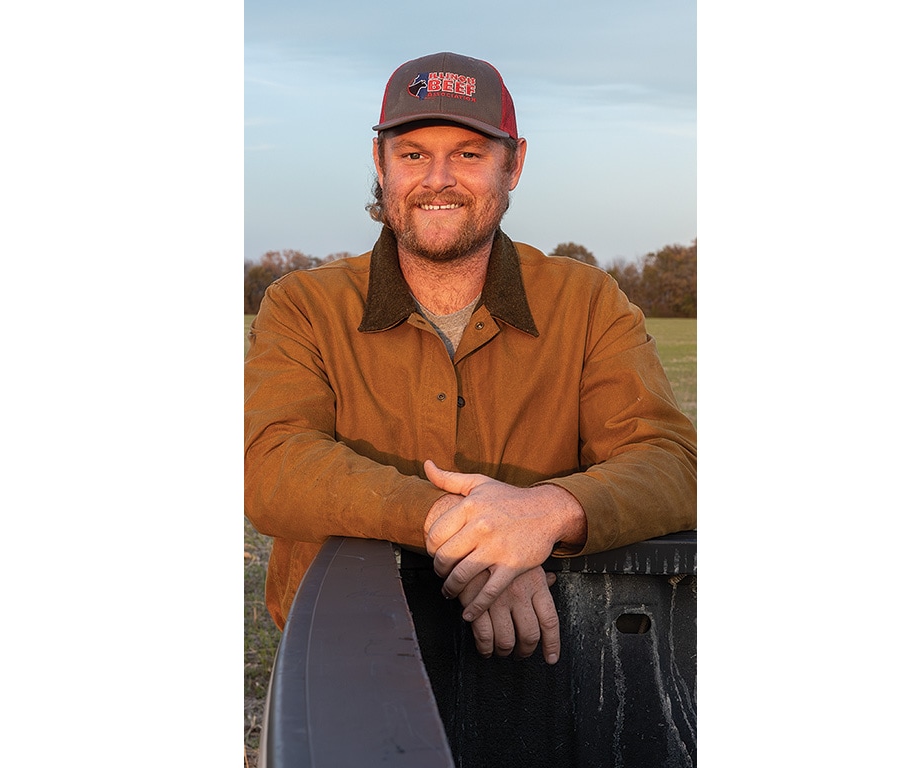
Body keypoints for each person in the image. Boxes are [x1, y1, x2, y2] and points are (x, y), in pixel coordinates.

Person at [244, 51, 695, 665]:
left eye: (468, 153)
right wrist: (471, 528)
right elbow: (270, 465)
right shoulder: (304, 305)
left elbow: (671, 461)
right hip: (345, 654)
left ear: (515, 164)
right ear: (380, 163)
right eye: (412, 155)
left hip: (542, 655)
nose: (437, 179)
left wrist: (546, 513)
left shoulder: (587, 302)